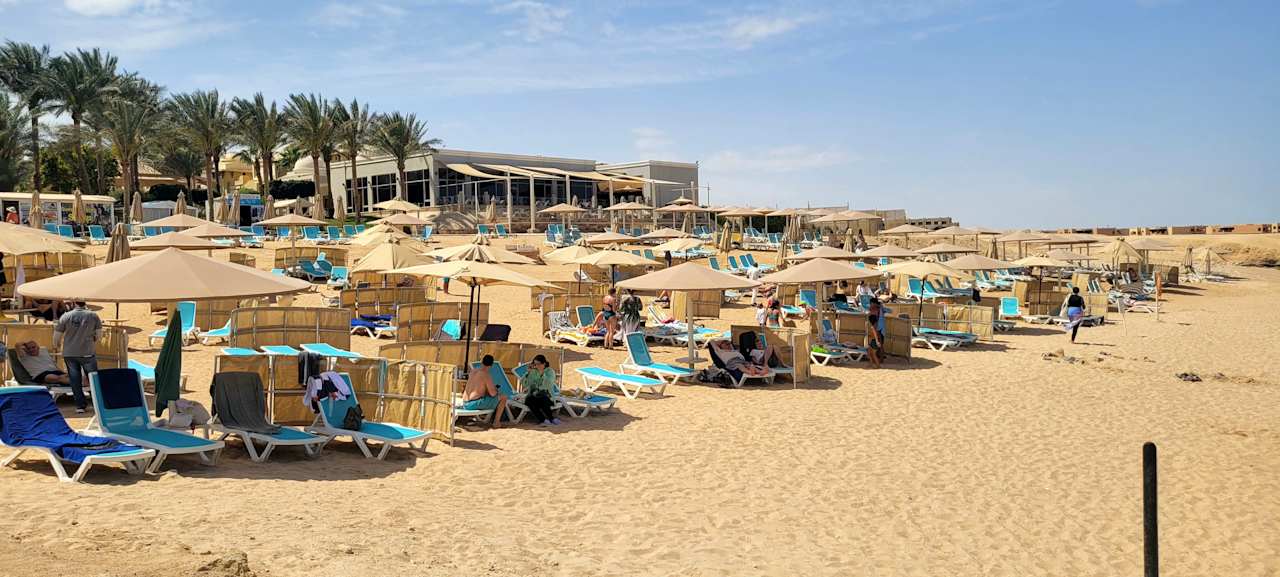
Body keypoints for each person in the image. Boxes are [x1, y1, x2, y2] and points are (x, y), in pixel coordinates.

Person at [52, 301, 101, 413]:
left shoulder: (66, 316)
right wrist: (93, 340)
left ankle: (80, 406)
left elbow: (57, 335)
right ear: (85, 303)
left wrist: (56, 345)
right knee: (93, 379)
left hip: (70, 353)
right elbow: (99, 335)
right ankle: (98, 403)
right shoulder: (93, 315)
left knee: (75, 380)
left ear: (74, 303)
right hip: (87, 352)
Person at [462, 355, 508, 428]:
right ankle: (496, 422)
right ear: (491, 365)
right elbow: (493, 394)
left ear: (482, 362)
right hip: (473, 404)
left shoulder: (473, 371)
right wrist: (496, 390)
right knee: (503, 397)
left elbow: (478, 387)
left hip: (465, 403)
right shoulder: (485, 374)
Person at [522, 354, 560, 426]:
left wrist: (542, 374)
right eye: (535, 364)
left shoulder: (550, 371)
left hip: (547, 396)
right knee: (528, 400)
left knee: (542, 397)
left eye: (538, 364)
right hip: (534, 396)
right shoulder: (533, 372)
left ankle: (551, 418)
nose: (536, 366)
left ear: (544, 363)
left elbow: (548, 385)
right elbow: (525, 384)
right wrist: (528, 373)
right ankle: (543, 420)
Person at [864, 301, 884, 369]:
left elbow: (875, 333)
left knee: (873, 354)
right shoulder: (875, 323)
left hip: (875, 341)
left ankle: (878, 365)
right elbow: (870, 315)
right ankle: (871, 363)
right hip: (873, 340)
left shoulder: (873, 326)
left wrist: (877, 341)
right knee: (869, 352)